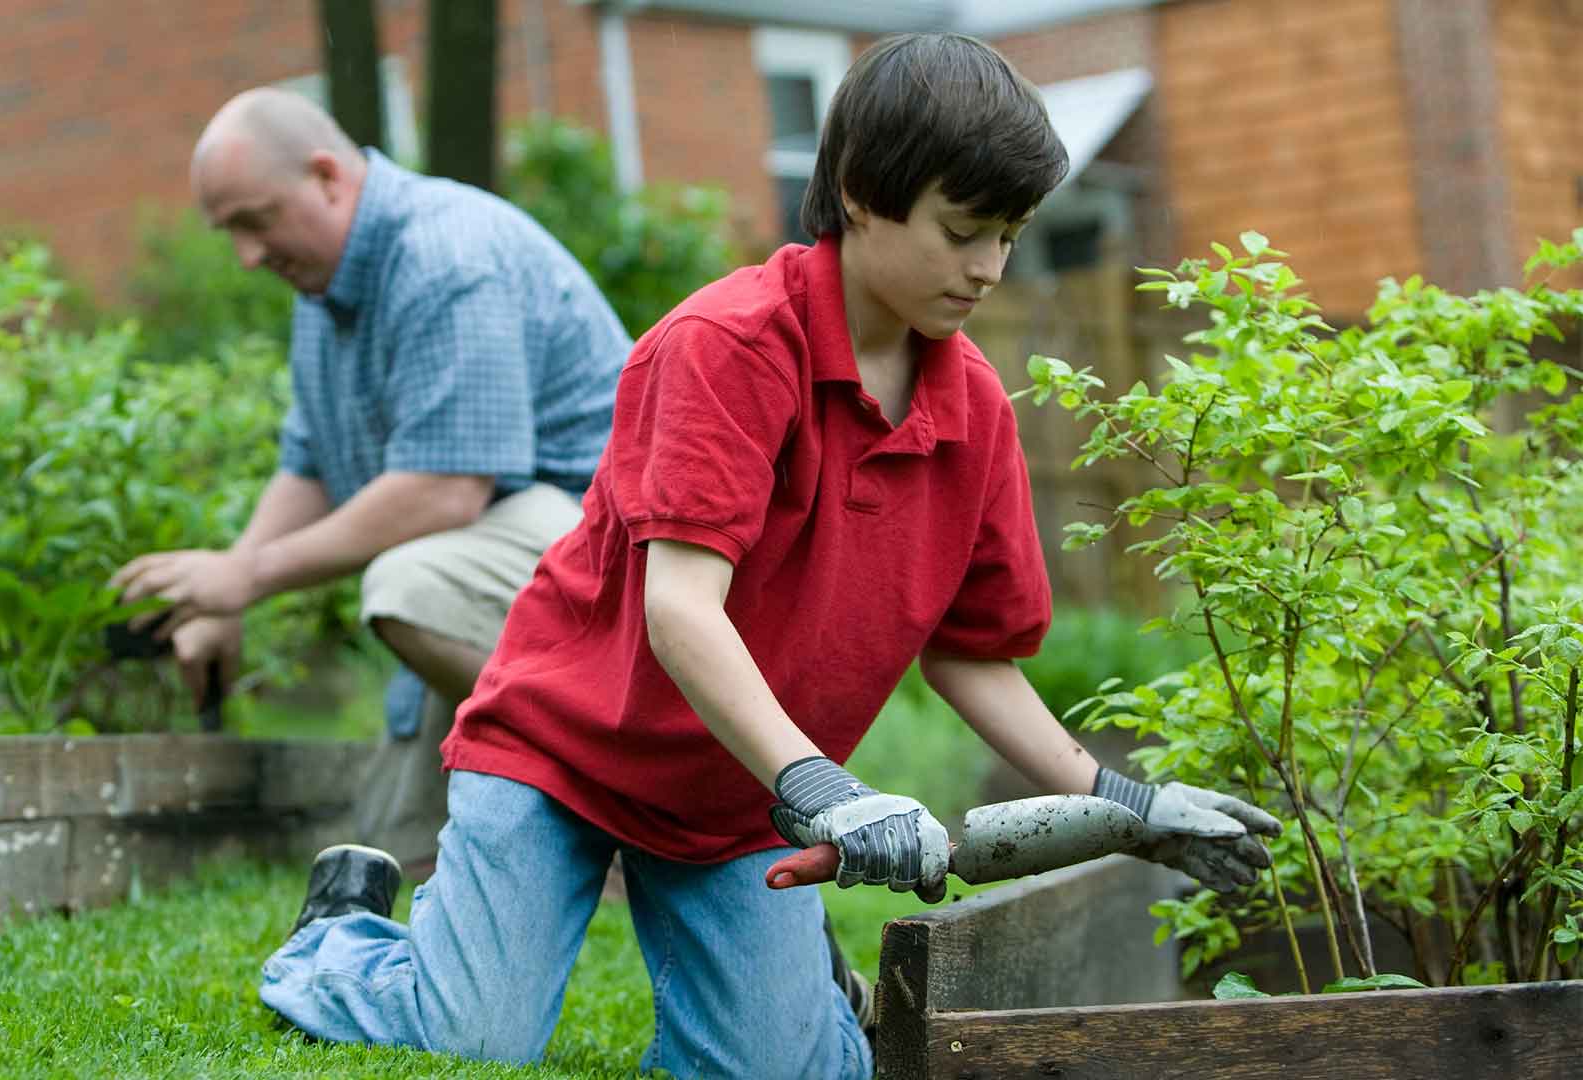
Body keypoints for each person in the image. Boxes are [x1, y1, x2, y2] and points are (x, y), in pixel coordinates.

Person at [257, 33, 1280, 1079]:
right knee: (473, 1036)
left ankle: (809, 1003)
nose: (990, 269)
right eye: (963, 230)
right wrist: (827, 789)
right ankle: (340, 938)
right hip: (565, 752)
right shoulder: (729, 347)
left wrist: (1130, 807)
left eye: (1011, 235)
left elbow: (972, 653)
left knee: (783, 1071)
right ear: (859, 192)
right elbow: (683, 610)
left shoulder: (972, 409)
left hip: (735, 796)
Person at [113, 88, 631, 861]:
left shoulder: (445, 257)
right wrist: (224, 593)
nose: (247, 257)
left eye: (256, 221)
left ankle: (633, 797)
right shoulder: (324, 291)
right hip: (502, 566)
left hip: (612, 559)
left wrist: (248, 576)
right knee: (396, 844)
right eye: (230, 234)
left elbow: (445, 491)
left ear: (327, 176)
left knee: (410, 586)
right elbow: (311, 461)